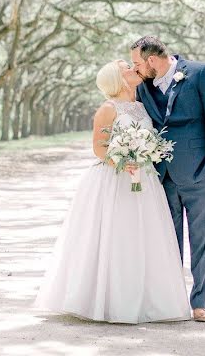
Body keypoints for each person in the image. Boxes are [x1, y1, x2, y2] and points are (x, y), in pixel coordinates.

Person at [34, 59, 192, 324]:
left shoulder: (142, 107)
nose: (134, 68)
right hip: (115, 178)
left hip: (144, 178)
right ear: (117, 79)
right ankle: (108, 301)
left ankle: (146, 300)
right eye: (126, 68)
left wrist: (147, 153)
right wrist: (121, 159)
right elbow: (98, 147)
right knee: (115, 235)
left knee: (142, 236)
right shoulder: (107, 109)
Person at [130, 36, 205, 323]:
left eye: (137, 63)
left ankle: (200, 302)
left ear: (152, 60)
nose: (136, 69)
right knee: (168, 242)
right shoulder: (144, 86)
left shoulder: (201, 73)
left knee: (202, 240)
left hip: (200, 173)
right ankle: (171, 301)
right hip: (162, 176)